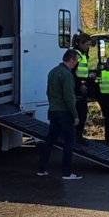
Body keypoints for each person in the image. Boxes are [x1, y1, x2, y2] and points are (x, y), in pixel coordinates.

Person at [36, 49, 82, 180]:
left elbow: (48, 92)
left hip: (53, 110)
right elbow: (69, 96)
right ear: (71, 60)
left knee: (50, 140)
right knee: (69, 142)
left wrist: (53, 105)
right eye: (76, 61)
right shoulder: (67, 74)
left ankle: (41, 168)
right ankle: (67, 172)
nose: (76, 64)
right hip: (65, 112)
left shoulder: (53, 72)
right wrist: (75, 115)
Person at [70, 33, 94, 145]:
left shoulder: (82, 54)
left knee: (83, 112)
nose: (88, 47)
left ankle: (78, 135)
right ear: (80, 43)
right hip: (77, 87)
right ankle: (76, 136)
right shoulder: (77, 55)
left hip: (81, 85)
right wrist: (80, 85)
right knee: (80, 112)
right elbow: (72, 72)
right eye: (87, 44)